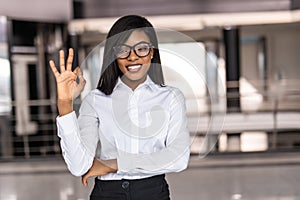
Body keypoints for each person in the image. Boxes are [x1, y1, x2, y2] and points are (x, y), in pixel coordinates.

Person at [49, 15, 190, 200]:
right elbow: (79, 166)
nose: (133, 57)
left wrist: (113, 164)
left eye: (142, 48)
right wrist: (65, 105)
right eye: (124, 50)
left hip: (152, 192)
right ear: (114, 54)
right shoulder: (95, 100)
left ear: (152, 52)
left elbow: (178, 158)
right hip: (107, 194)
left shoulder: (171, 98)